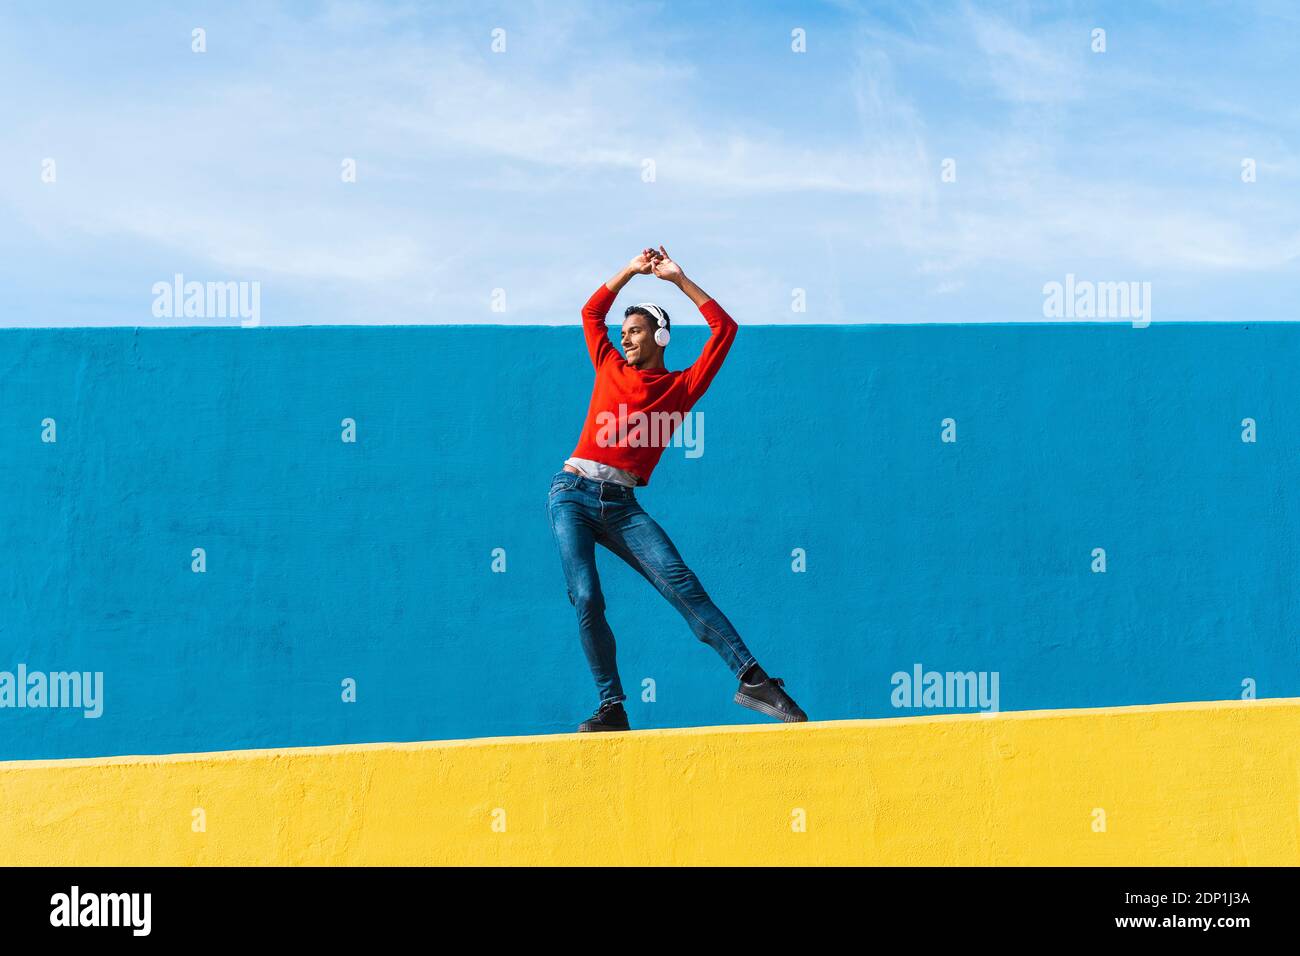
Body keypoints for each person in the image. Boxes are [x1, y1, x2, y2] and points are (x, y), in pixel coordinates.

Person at [547, 245, 808, 732]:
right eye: (623, 331)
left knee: (683, 586)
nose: (625, 338)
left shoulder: (682, 386)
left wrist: (677, 279)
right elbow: (591, 311)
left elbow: (724, 331)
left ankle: (753, 680)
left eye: (636, 331)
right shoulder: (608, 364)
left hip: (622, 505)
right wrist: (628, 269)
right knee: (586, 596)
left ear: (660, 336)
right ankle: (613, 707)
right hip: (572, 492)